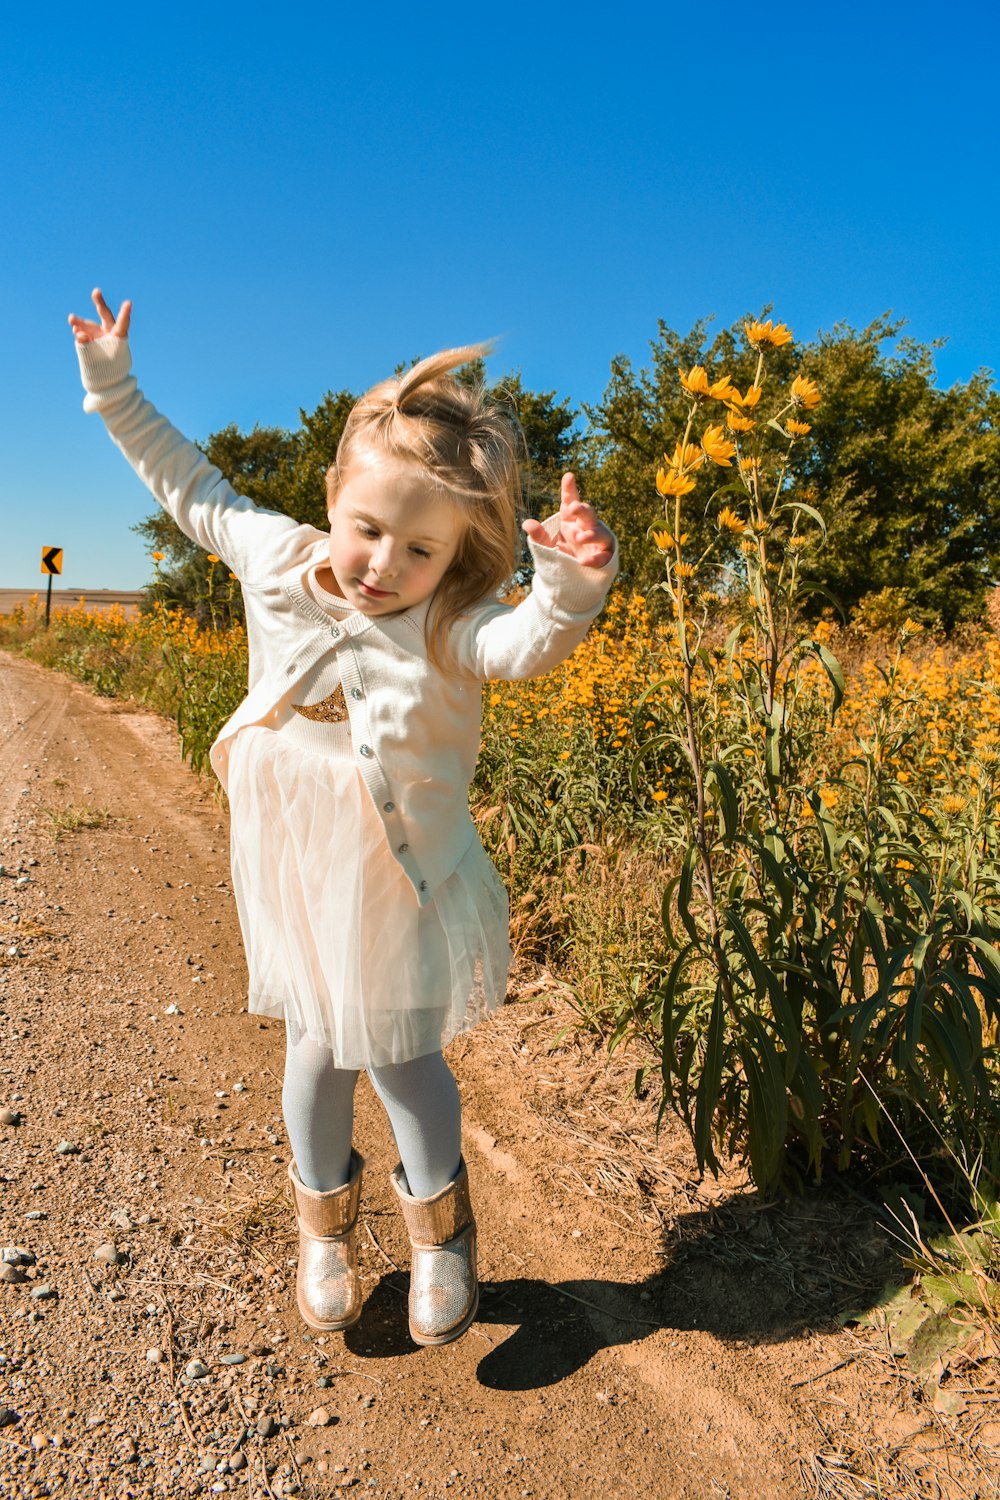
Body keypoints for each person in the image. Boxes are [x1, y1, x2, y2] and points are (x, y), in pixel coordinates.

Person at [69, 288, 618, 1346]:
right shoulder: (274, 556)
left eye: (419, 552)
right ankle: (322, 1225)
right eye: (368, 530)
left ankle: (439, 1235)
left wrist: (567, 590)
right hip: (290, 852)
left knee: (403, 1054)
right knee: (314, 1049)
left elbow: (523, 646)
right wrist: (113, 382)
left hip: (396, 866)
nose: (383, 566)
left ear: (452, 557)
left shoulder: (452, 624)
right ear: (333, 496)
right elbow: (183, 480)